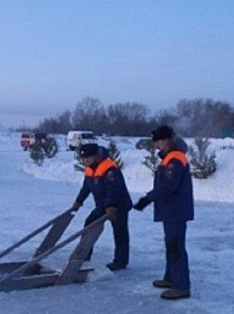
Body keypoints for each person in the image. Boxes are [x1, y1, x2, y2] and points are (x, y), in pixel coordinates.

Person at [133, 126, 194, 300]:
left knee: (175, 246)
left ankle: (182, 286)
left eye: (159, 141)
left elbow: (168, 186)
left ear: (168, 140)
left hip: (176, 210)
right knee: (171, 245)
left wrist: (147, 199)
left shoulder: (175, 159)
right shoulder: (169, 157)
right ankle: (171, 278)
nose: (157, 145)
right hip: (171, 210)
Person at [71, 143, 133, 271]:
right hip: (102, 204)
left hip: (118, 205)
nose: (86, 160)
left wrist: (111, 206)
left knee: (120, 232)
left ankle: (120, 262)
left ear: (96, 155)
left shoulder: (109, 168)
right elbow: (87, 186)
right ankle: (84, 253)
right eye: (84, 158)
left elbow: (114, 189)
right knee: (89, 224)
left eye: (88, 157)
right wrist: (79, 201)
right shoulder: (89, 168)